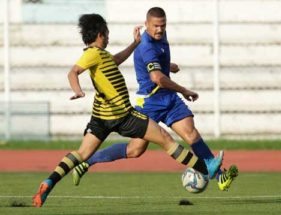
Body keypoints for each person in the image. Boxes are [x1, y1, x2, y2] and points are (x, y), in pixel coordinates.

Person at [32, 13, 223, 208]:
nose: (108, 37)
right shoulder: (91, 54)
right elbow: (73, 72)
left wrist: (134, 44)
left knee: (81, 153)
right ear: (100, 34)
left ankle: (49, 182)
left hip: (100, 118)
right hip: (123, 115)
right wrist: (78, 90)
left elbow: (117, 59)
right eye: (106, 34)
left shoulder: (101, 55)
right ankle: (206, 167)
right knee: (166, 140)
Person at [72, 7, 238, 191]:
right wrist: (184, 90)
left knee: (191, 133)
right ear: (146, 25)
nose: (160, 29)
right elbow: (157, 78)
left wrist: (168, 65)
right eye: (155, 26)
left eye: (163, 25)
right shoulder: (146, 45)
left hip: (168, 98)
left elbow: (157, 65)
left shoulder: (161, 36)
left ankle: (219, 176)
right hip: (150, 102)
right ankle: (87, 162)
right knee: (135, 150)